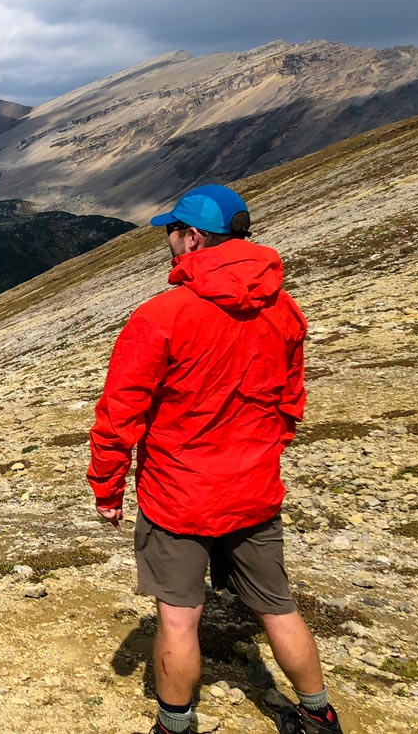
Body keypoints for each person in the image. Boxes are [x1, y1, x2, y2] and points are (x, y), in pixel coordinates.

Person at [85, 185, 342, 734]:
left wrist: (107, 490)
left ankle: (175, 726)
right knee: (277, 606)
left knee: (179, 618)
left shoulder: (162, 316)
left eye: (172, 231)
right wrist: (261, 454)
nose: (169, 241)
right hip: (254, 489)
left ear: (194, 236)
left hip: (178, 495)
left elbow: (118, 416)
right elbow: (290, 398)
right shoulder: (285, 308)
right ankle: (318, 715)